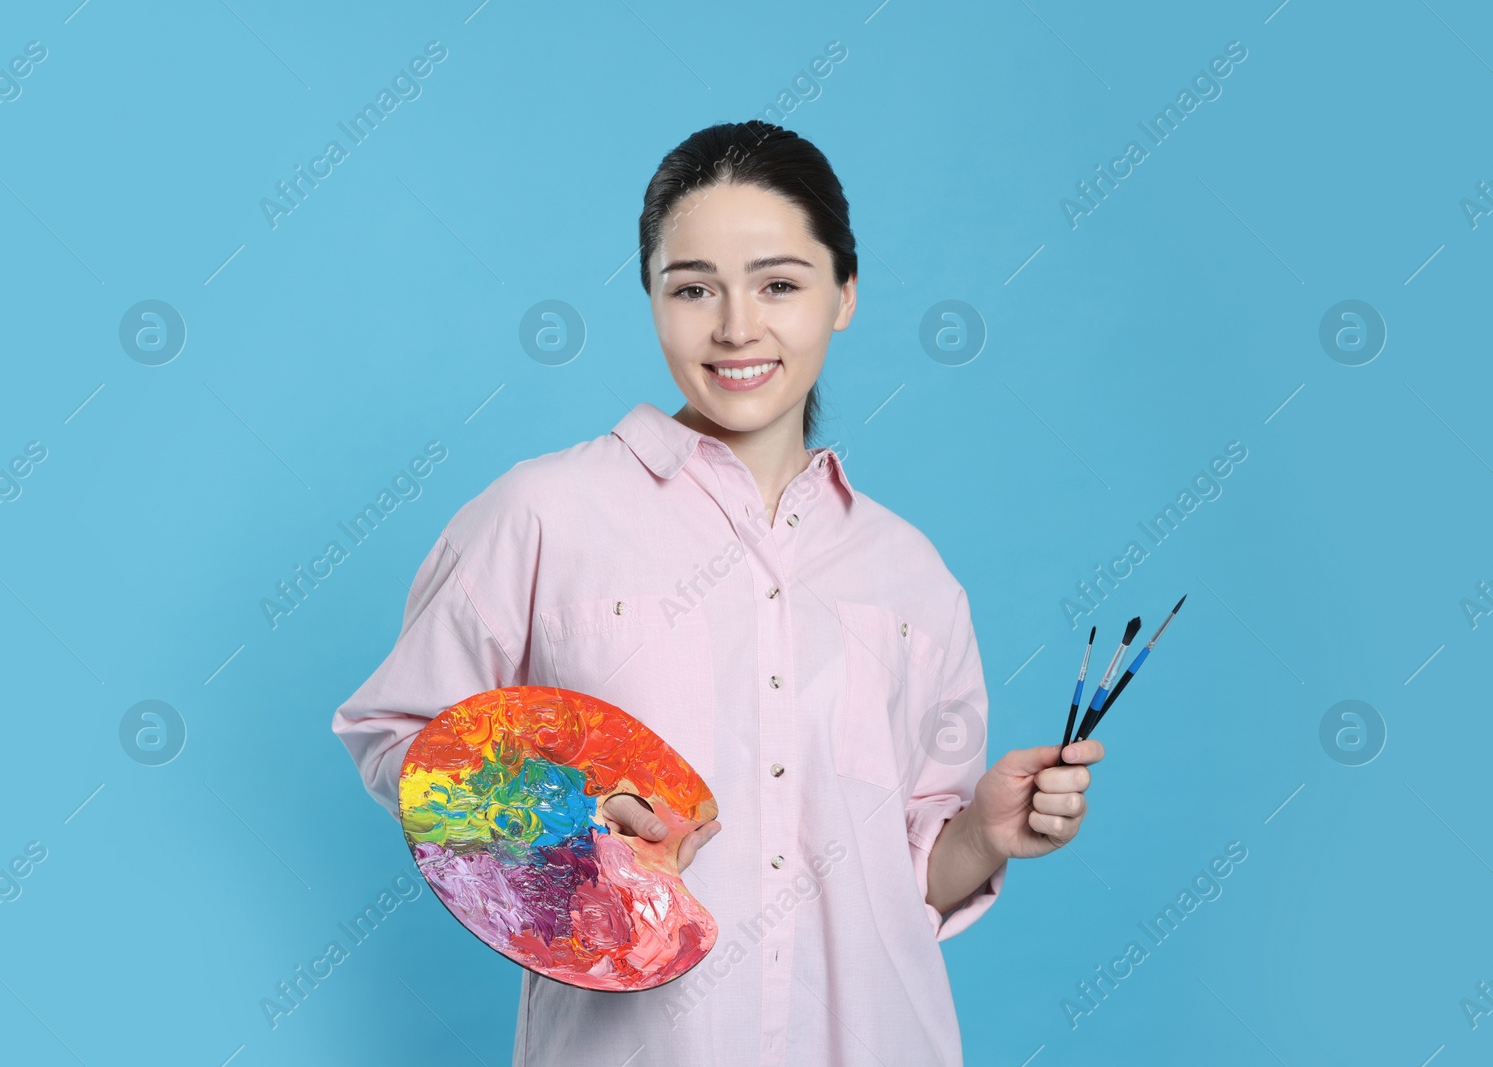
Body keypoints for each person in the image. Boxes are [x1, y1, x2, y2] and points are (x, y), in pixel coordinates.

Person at [331, 119, 1103, 1066]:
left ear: (845, 294)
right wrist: (566, 816)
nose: (737, 327)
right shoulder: (541, 515)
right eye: (694, 288)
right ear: (652, 298)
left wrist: (981, 835)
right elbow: (401, 736)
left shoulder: (912, 575)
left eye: (780, 284)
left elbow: (908, 889)